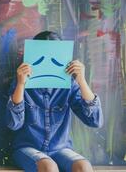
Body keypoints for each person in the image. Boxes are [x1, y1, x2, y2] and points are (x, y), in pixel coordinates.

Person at [6, 31, 103, 172]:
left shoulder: (69, 84)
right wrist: (21, 84)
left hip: (60, 147)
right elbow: (13, 123)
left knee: (84, 167)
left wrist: (81, 81)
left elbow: (95, 121)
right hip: (27, 147)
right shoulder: (23, 81)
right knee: (49, 167)